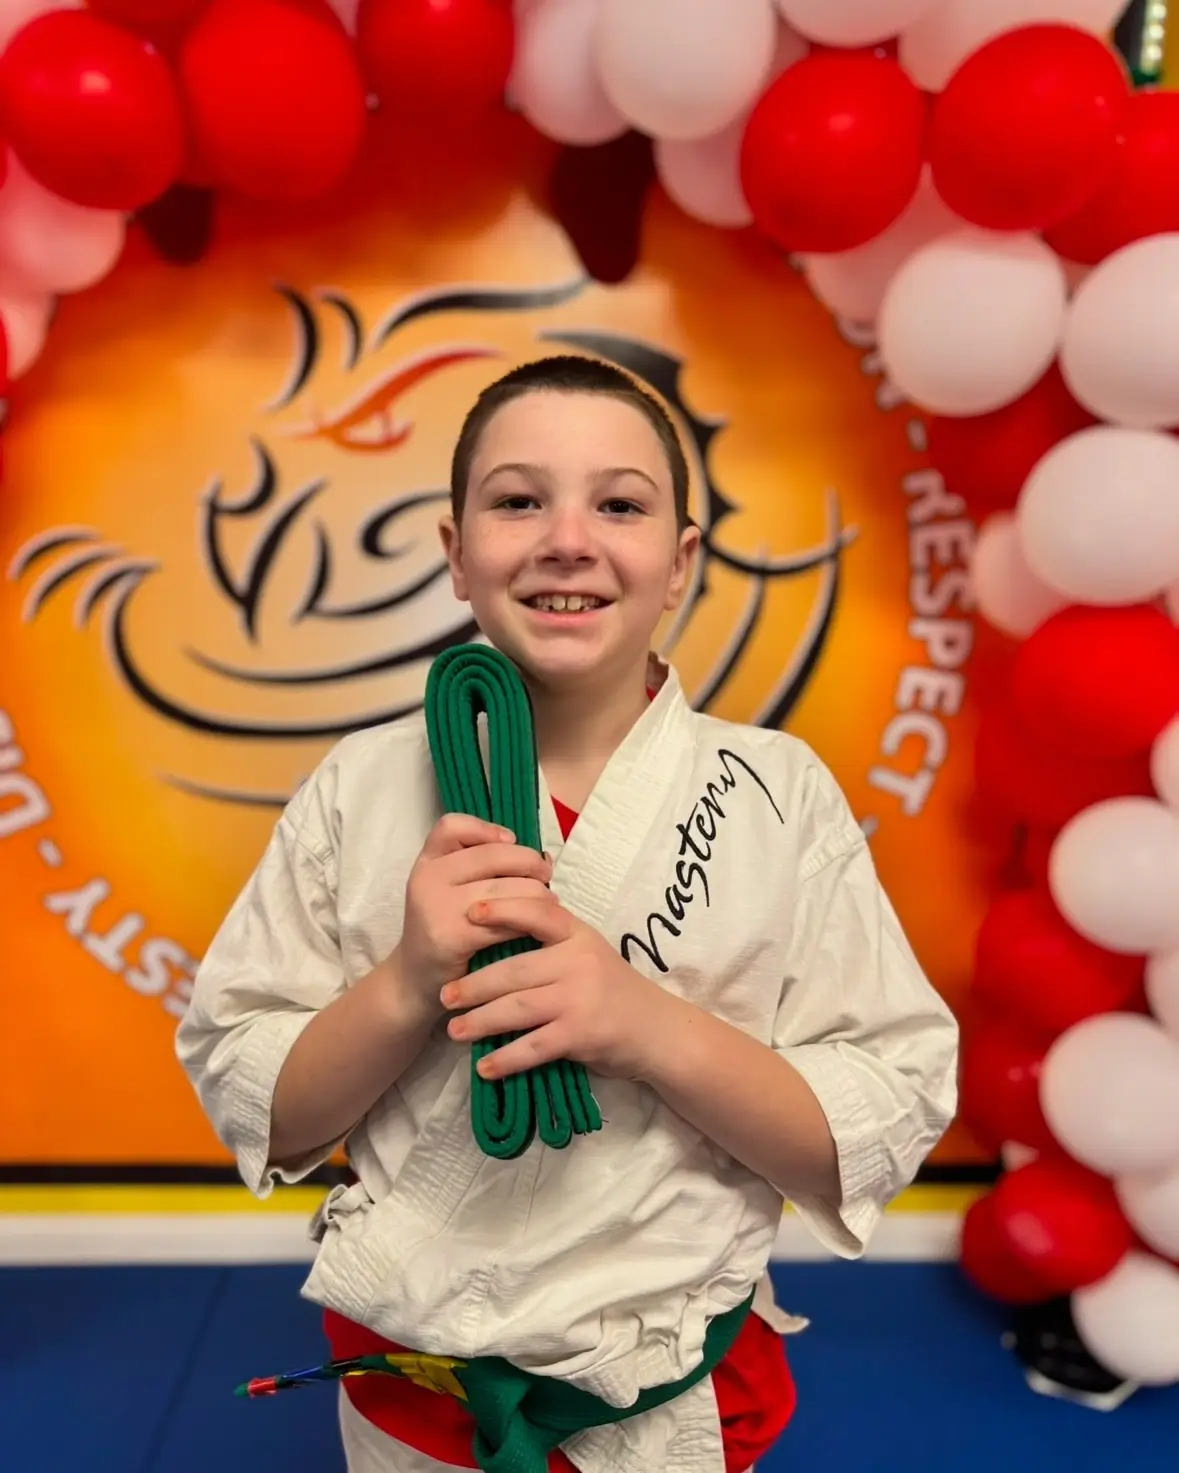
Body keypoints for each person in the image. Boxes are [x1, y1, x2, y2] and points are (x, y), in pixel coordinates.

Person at [176, 355, 959, 1473]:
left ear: (682, 561)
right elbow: (272, 1111)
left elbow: (876, 1116)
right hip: (418, 1408)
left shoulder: (778, 796)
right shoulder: (359, 788)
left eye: (621, 503)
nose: (567, 538)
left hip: (666, 1403)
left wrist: (645, 1028)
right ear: (455, 550)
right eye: (517, 500)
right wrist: (406, 984)